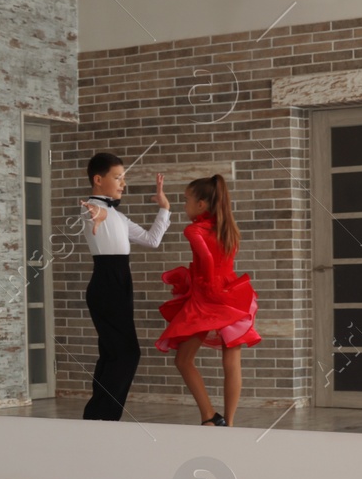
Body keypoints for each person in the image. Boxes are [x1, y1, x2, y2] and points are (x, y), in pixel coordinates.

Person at [154, 175, 260, 426]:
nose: (184, 205)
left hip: (208, 297)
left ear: (201, 204)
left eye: (186, 200)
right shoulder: (228, 228)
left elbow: (207, 259)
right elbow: (221, 261)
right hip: (235, 294)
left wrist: (208, 284)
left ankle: (209, 416)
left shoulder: (193, 230)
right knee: (232, 362)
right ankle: (229, 423)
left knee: (183, 359)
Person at [79, 153, 170, 421]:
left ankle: (99, 419)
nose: (123, 183)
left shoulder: (118, 216)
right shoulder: (92, 208)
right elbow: (93, 212)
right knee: (126, 353)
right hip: (108, 284)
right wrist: (95, 214)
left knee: (112, 353)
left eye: (123, 178)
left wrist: (164, 208)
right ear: (98, 179)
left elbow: (152, 240)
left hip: (119, 284)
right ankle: (102, 417)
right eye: (117, 177)